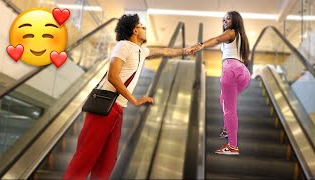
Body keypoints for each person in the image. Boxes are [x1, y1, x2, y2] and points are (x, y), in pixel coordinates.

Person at [63, 14, 195, 179]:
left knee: (107, 161)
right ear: (134, 30)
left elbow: (164, 51)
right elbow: (113, 76)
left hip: (118, 110)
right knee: (85, 156)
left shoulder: (141, 51)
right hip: (105, 107)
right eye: (142, 26)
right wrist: (135, 100)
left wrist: (184, 50)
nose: (145, 29)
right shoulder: (123, 46)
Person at [193, 11, 250, 155]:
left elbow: (217, 39)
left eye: (228, 19)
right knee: (223, 99)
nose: (224, 22)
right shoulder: (242, 37)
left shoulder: (231, 32)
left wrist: (201, 45)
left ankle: (232, 146)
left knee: (230, 108)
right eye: (223, 20)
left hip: (230, 70)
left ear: (235, 20)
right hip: (243, 73)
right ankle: (227, 128)